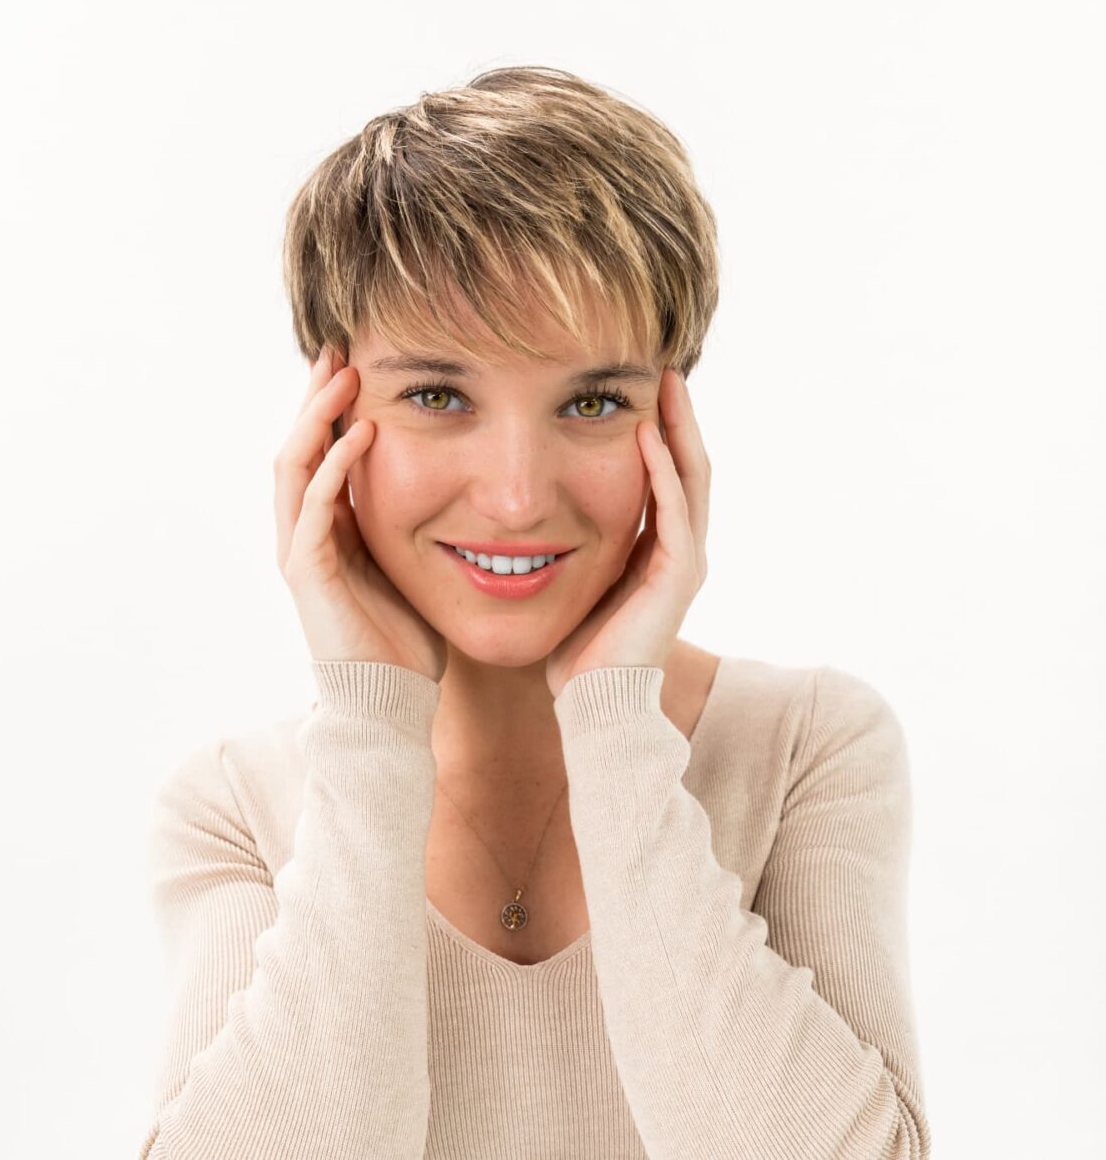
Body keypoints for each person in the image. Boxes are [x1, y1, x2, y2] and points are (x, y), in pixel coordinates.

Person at [139, 66, 930, 1158]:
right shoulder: (237, 808)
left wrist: (615, 721)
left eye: (594, 401)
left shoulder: (805, 751)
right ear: (326, 428)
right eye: (436, 395)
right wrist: (369, 723)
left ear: (674, 424)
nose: (516, 496)